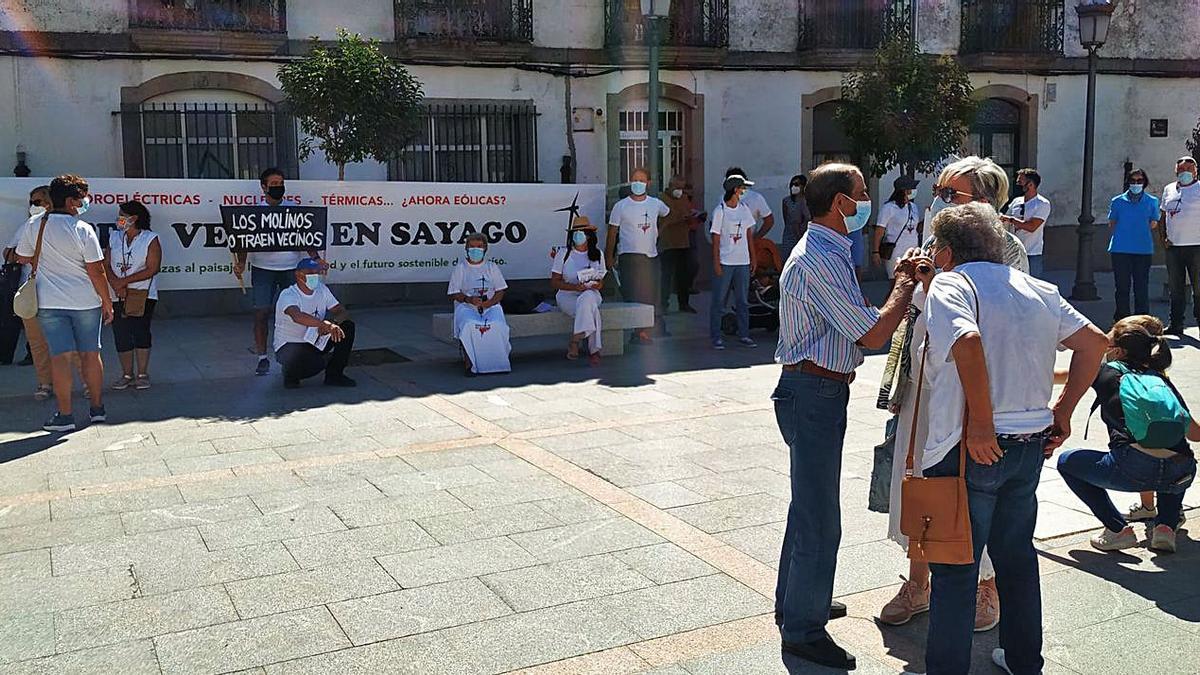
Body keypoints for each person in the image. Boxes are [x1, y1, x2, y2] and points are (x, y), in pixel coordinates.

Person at [917, 202, 1107, 675]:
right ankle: (1025, 662)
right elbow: (1096, 343)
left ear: (945, 250)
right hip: (1028, 443)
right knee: (1016, 559)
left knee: (956, 569)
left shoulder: (952, 283)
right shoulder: (1038, 287)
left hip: (968, 446)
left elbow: (967, 341)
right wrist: (1062, 412)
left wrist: (981, 421)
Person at [773, 162, 932, 671]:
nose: (867, 201)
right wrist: (905, 285)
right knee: (820, 519)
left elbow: (856, 322)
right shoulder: (818, 256)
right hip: (813, 390)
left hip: (818, 388)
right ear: (841, 203)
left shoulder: (831, 249)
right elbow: (870, 334)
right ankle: (803, 630)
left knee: (808, 508)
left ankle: (799, 603)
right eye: (862, 193)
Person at [1057, 315, 1197, 554]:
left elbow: (1070, 377)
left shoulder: (1106, 372)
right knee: (1178, 456)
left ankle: (1117, 530)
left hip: (1132, 469)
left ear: (1119, 352)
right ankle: (1165, 526)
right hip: (1181, 471)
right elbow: (1195, 434)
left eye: (1107, 343)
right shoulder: (1160, 379)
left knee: (1067, 462)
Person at [14, 175, 114, 432]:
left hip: (50, 302)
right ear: (71, 202)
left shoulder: (34, 224)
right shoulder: (83, 229)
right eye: (81, 199)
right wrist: (107, 301)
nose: (84, 203)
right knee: (92, 355)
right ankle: (97, 409)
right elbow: (97, 271)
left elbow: (23, 258)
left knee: (60, 358)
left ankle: (65, 415)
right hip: (86, 302)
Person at [233, 168, 321, 376]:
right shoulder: (254, 212)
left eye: (281, 182)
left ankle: (297, 356)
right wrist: (241, 262)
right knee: (261, 313)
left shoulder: (294, 210)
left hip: (292, 269)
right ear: (263, 187)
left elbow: (306, 237)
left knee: (298, 312)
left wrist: (316, 259)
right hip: (263, 270)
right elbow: (243, 241)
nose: (278, 187)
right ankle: (262, 357)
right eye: (273, 184)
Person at [606, 167, 669, 343]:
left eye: (642, 180)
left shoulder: (655, 204)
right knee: (633, 294)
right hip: (629, 256)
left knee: (650, 294)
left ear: (648, 183)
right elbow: (612, 232)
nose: (638, 183)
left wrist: (659, 231)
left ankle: (646, 330)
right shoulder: (621, 206)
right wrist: (608, 256)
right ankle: (637, 330)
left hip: (650, 256)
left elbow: (667, 215)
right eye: (635, 179)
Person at [103, 201, 161, 391]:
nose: (119, 219)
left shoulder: (150, 238)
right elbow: (106, 264)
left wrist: (124, 282)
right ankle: (126, 374)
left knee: (140, 331)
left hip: (142, 293)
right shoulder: (114, 237)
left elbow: (153, 268)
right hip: (117, 293)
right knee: (121, 333)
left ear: (134, 218)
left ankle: (142, 374)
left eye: (122, 215)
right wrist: (115, 283)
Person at [273, 258, 355, 389]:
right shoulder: (288, 294)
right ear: (298, 274)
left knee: (347, 327)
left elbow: (340, 311)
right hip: (290, 346)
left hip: (314, 339)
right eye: (310, 272)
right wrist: (322, 325)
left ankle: (335, 375)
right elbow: (297, 316)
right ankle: (290, 374)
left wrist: (333, 324)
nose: (314, 275)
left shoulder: (322, 290)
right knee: (315, 365)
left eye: (316, 272)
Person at [446, 233, 510, 376]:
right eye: (472, 247)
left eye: (479, 247)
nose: (476, 250)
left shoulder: (491, 267)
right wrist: (469, 299)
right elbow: (453, 293)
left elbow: (500, 290)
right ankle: (470, 364)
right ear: (466, 249)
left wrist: (490, 303)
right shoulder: (461, 268)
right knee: (469, 325)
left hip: (490, 305)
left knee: (498, 325)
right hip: (467, 306)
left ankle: (498, 363)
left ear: (485, 248)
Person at [710, 175, 759, 350]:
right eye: (742, 188)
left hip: (742, 261)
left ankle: (744, 334)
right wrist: (716, 262)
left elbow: (748, 235)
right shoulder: (720, 211)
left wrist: (753, 257)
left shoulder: (744, 209)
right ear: (735, 190)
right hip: (725, 261)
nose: (744, 191)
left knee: (742, 301)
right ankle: (716, 336)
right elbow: (715, 238)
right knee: (719, 300)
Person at [552, 216, 606, 367]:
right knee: (591, 309)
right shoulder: (563, 254)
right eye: (576, 232)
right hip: (567, 295)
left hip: (591, 293)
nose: (579, 235)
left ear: (589, 235)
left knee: (588, 297)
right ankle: (594, 350)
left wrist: (595, 284)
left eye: (582, 232)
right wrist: (575, 287)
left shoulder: (597, 254)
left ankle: (575, 341)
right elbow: (554, 282)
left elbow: (602, 282)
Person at [1107, 168, 1159, 322]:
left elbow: (1154, 223)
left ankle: (1142, 320)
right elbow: (1112, 222)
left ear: (1145, 182)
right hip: (1120, 249)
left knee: (1141, 287)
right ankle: (1122, 319)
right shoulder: (1117, 201)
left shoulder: (1152, 201)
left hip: (1142, 249)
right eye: (1133, 181)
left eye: (1140, 181)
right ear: (1128, 182)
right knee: (1122, 287)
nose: (1136, 184)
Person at [1161, 156, 1200, 336]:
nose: (1184, 174)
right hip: (1174, 247)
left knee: (1198, 288)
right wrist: (1164, 238)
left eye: (1188, 170)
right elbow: (1163, 216)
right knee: (1175, 288)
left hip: (1196, 246)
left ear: (1195, 172)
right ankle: (1176, 324)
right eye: (1181, 171)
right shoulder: (1169, 189)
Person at [1001, 168, 1052, 278]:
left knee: (1031, 285)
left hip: (1031, 253)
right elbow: (1004, 221)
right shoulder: (1016, 201)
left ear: (1030, 184)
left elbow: (1032, 226)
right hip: (1014, 252)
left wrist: (1011, 220)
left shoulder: (1042, 204)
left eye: (1020, 181)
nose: (1017, 184)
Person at [872, 177, 923, 285]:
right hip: (895, 252)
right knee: (895, 284)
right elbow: (879, 231)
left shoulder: (913, 207)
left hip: (913, 251)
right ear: (904, 190)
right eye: (911, 188)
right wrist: (875, 251)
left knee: (910, 284)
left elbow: (916, 228)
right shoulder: (889, 208)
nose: (914, 191)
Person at [658, 176, 697, 313]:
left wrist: (694, 217)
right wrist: (680, 217)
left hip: (683, 242)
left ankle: (684, 303)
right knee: (666, 275)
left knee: (683, 275)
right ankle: (663, 304)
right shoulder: (661, 199)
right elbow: (665, 218)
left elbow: (688, 214)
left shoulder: (684, 199)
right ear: (670, 185)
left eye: (682, 187)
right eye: (677, 187)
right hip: (668, 243)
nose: (679, 191)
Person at [781, 174, 811, 260]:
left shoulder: (808, 200)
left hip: (805, 234)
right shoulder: (786, 201)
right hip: (790, 235)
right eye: (792, 184)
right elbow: (786, 218)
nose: (794, 187)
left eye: (797, 184)